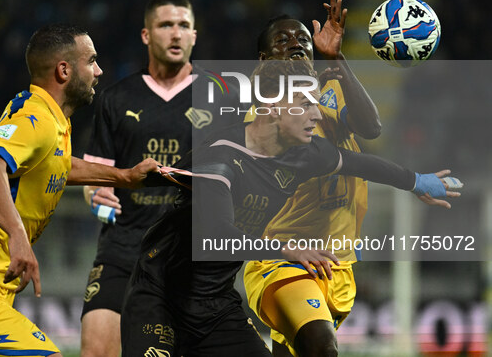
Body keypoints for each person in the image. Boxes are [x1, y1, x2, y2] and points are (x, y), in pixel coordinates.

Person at [120, 60, 460, 356]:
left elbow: (362, 164)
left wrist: (417, 182)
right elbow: (216, 236)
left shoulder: (304, 153)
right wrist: (287, 250)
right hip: (161, 294)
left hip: (215, 304)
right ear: (271, 106)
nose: (316, 114)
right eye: (305, 103)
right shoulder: (220, 154)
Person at [0, 23, 159, 357]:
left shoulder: (49, 119)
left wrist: (123, 176)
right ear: (64, 70)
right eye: (91, 61)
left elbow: (58, 164)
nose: (99, 70)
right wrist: (17, 235)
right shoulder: (38, 118)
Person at [79, 0, 241, 357]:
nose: (176, 33)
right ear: (146, 35)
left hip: (187, 254)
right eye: (165, 25)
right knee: (95, 350)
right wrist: (94, 193)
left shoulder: (220, 97)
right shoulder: (116, 98)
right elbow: (95, 175)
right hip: (123, 248)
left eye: (184, 25)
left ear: (194, 36)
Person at [243, 0, 381, 356]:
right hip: (282, 259)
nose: (296, 45)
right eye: (283, 40)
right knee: (321, 346)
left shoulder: (332, 89)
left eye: (303, 39)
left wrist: (338, 60)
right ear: (264, 60)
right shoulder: (262, 112)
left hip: (336, 264)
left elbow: (371, 128)